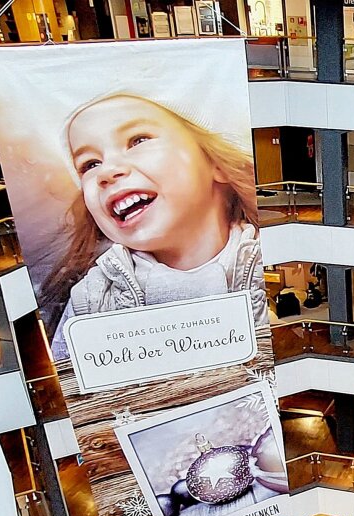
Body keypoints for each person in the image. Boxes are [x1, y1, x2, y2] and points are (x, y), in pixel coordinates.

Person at [46, 93, 264, 358]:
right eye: (90, 164)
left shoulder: (272, 262)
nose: (107, 172)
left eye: (138, 140)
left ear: (215, 163)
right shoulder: (91, 300)